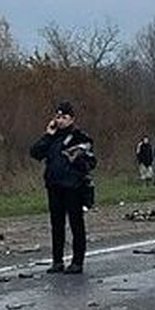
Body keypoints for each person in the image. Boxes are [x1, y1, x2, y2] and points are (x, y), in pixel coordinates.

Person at [29, 101, 96, 274]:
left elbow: (91, 161)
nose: (60, 120)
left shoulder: (80, 137)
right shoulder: (53, 137)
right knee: (56, 225)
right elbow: (35, 153)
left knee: (76, 224)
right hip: (54, 186)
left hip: (73, 186)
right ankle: (57, 261)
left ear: (72, 118)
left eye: (64, 117)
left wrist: (78, 160)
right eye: (58, 117)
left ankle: (77, 262)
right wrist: (48, 135)